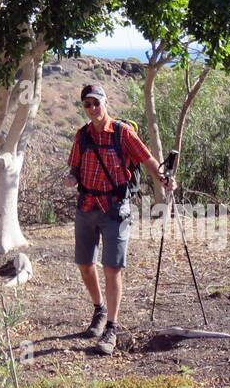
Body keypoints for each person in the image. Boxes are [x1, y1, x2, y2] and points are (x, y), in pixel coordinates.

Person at [67, 83, 174, 354]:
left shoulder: (122, 133)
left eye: (96, 103)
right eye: (87, 105)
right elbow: (74, 168)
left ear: (105, 103)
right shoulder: (82, 136)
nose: (92, 109)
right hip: (87, 205)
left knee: (112, 268)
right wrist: (69, 179)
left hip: (115, 208)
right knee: (84, 263)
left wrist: (162, 179)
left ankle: (111, 329)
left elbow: (147, 159)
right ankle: (99, 309)